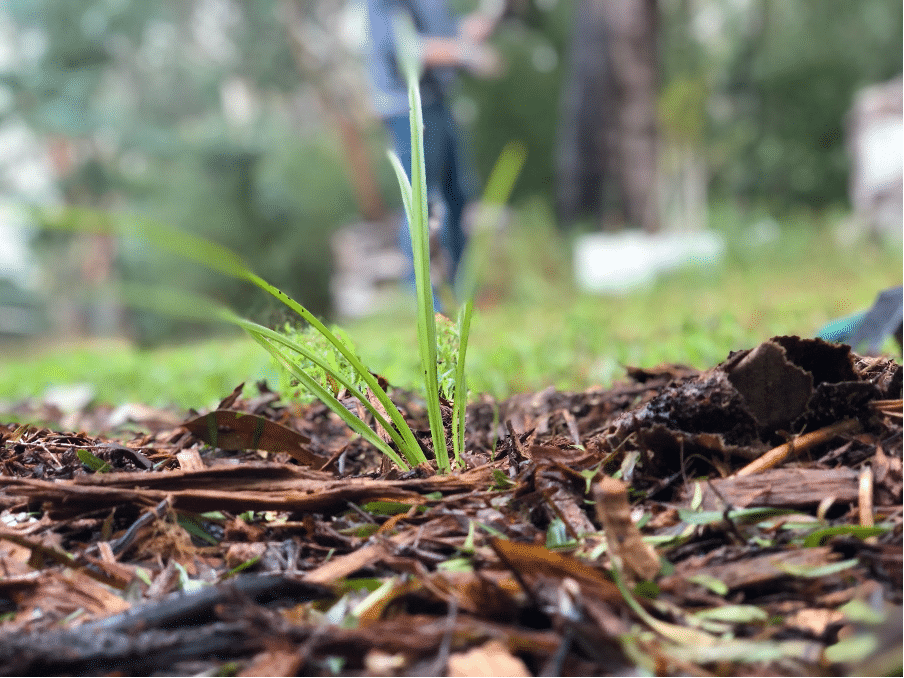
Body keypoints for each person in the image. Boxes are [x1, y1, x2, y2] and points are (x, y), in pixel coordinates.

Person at [364, 0, 503, 298]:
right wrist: (468, 53)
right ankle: (423, 298)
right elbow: (405, 47)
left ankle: (461, 289)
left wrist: (488, 16)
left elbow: (451, 33)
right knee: (419, 199)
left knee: (458, 196)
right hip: (407, 106)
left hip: (439, 102)